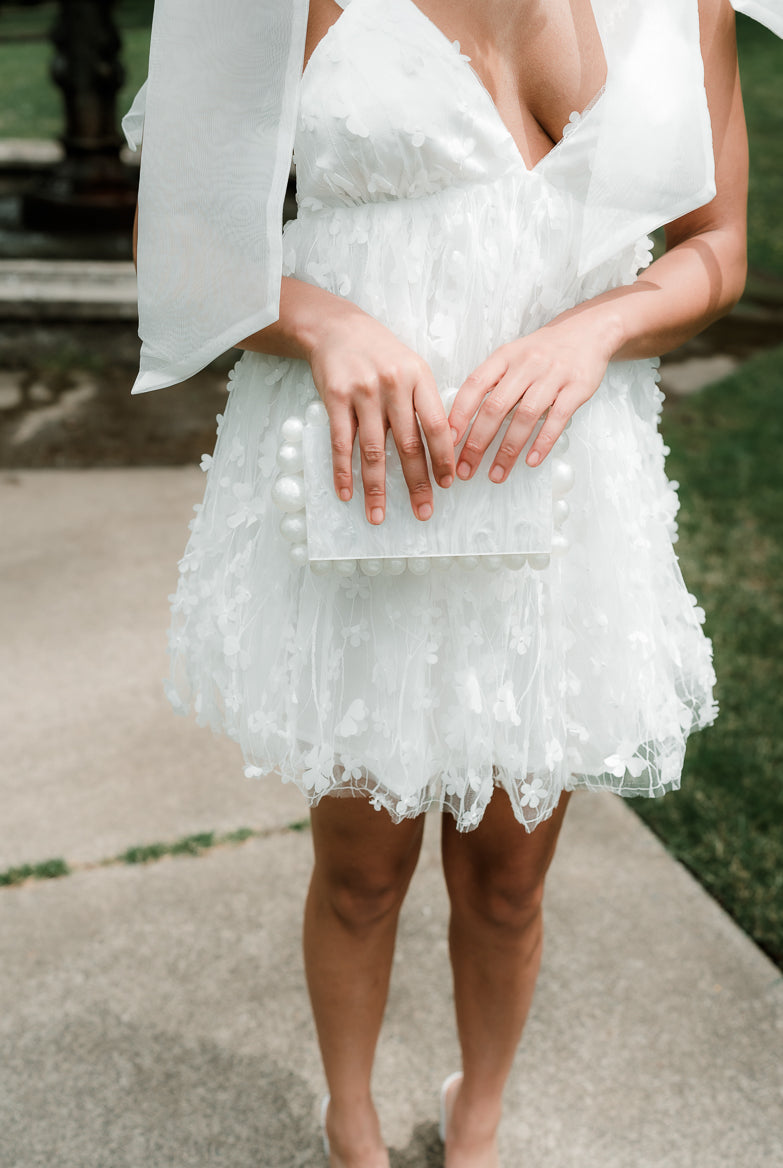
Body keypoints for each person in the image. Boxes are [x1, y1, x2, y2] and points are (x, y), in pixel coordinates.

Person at [126, 1, 781, 1165]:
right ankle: (353, 1123)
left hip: (563, 486)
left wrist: (598, 330)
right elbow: (183, 240)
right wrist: (323, 322)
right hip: (370, 477)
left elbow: (718, 249)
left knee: (507, 877)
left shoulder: (686, 3)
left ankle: (477, 1118)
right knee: (362, 869)